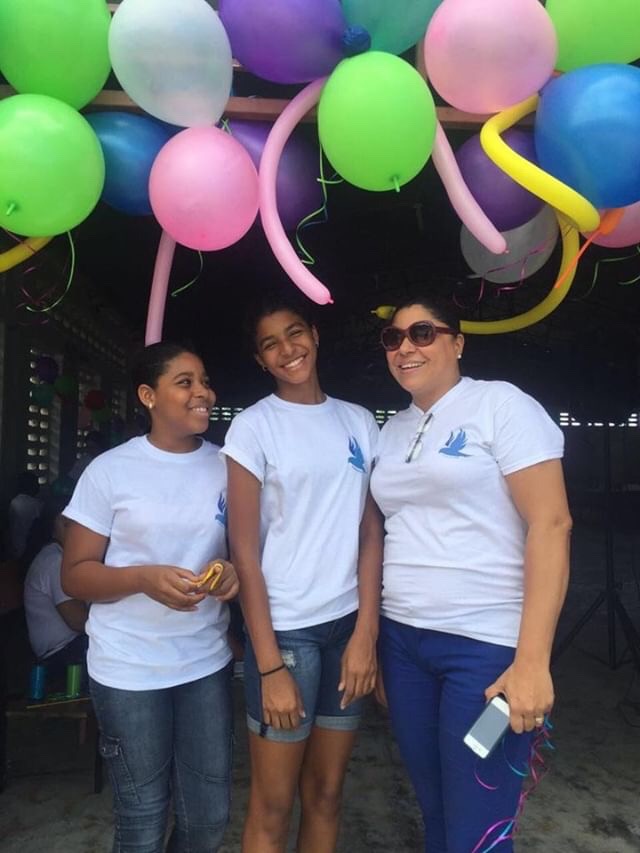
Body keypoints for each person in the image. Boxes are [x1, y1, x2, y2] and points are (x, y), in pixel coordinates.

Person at [370, 296, 572, 853]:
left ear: (457, 342)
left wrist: (531, 661)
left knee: (478, 826)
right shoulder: (391, 432)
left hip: (485, 654)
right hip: (405, 647)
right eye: (394, 338)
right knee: (435, 811)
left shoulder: (500, 405)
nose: (406, 346)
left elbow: (551, 523)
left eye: (423, 332)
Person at [61, 342, 239, 853]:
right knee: (141, 822)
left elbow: (243, 555)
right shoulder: (110, 471)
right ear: (148, 395)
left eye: (203, 380)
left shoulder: (228, 467)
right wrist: (142, 579)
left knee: (207, 821)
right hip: (128, 668)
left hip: (203, 662)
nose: (202, 392)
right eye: (185, 382)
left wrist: (229, 574)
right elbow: (75, 575)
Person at [222, 293, 382, 853]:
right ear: (261, 360)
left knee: (327, 794)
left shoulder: (359, 420)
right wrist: (267, 666)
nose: (288, 349)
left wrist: (367, 634)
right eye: (271, 344)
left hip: (346, 633)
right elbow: (243, 551)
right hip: (286, 635)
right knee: (272, 804)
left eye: (295, 333)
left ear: (315, 334)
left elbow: (369, 532)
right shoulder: (252, 428)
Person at [24, 501, 88, 685]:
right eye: (66, 525)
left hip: (68, 649)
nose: (74, 530)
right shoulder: (54, 562)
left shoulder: (61, 556)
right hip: (62, 655)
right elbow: (77, 621)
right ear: (52, 529)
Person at [6, 471, 43, 560]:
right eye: (36, 483)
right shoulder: (35, 504)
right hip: (28, 548)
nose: (39, 487)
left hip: (15, 546)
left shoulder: (14, 501)